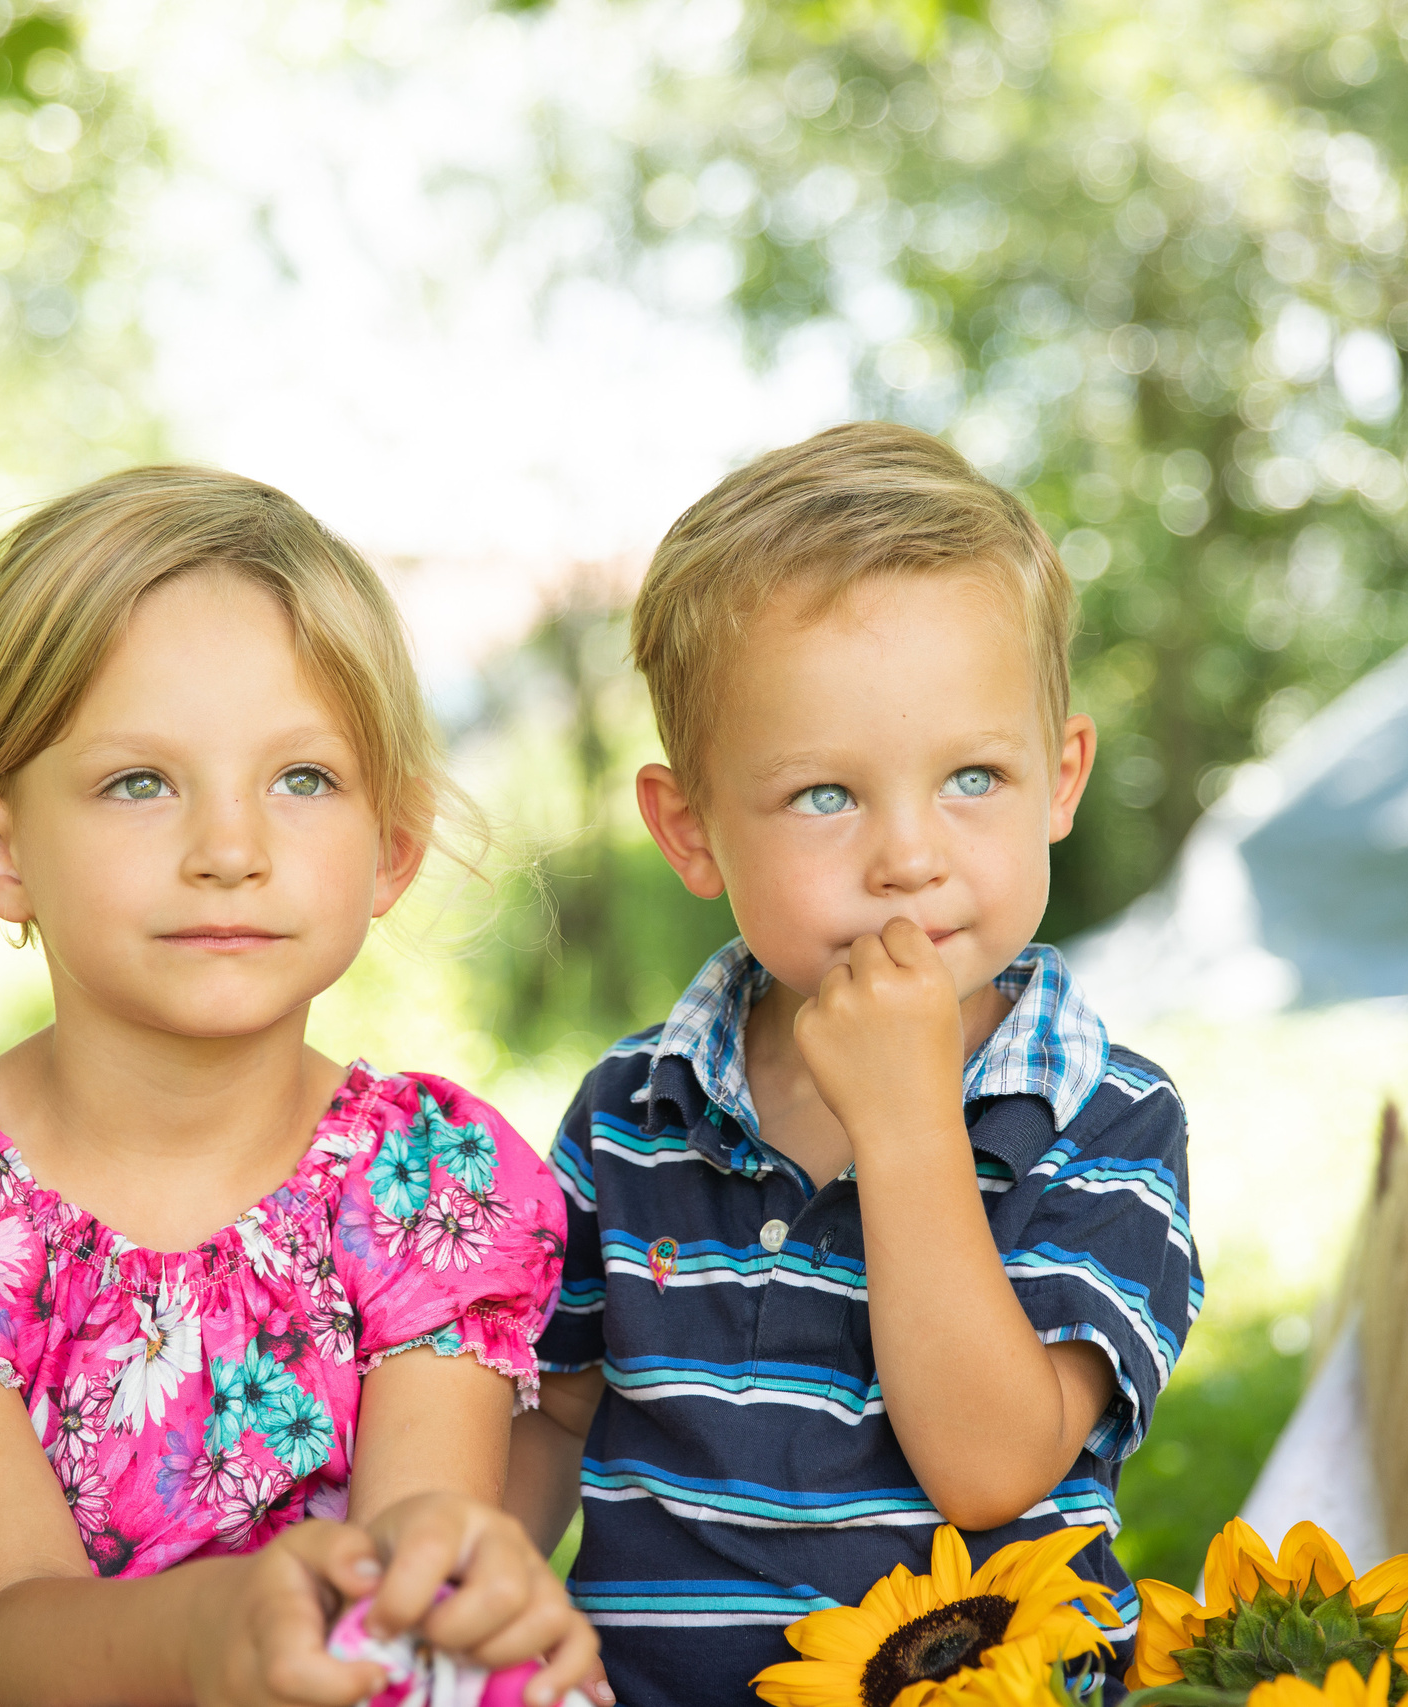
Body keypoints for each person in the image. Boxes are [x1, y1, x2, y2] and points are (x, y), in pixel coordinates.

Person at [0, 468, 604, 1707]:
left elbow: (414, 1553)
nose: (230, 851)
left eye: (301, 779)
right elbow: (11, 1628)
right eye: (140, 782)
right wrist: (222, 1631)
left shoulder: (431, 1179)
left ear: (390, 848)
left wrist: (462, 1603)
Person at [503, 423, 1203, 1706]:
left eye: (972, 778)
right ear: (690, 827)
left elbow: (992, 1466)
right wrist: (461, 1572)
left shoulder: (1105, 1117)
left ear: (1060, 780)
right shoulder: (628, 1113)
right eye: (825, 795)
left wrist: (907, 1129)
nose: (908, 858)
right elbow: (555, 1414)